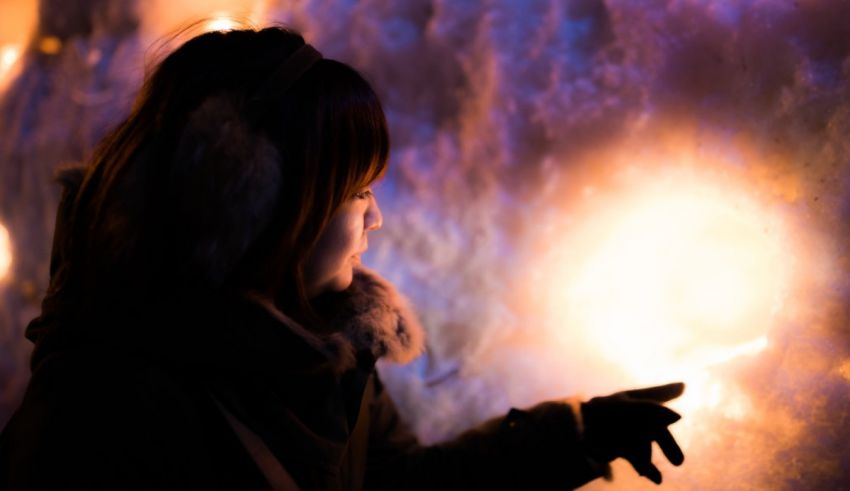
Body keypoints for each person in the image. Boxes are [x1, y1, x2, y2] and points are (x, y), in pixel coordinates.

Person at [0, 26, 684, 490]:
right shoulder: (103, 409)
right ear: (254, 205)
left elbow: (396, 483)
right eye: (357, 191)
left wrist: (574, 433)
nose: (375, 217)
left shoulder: (327, 344)